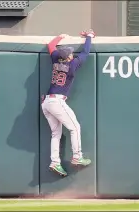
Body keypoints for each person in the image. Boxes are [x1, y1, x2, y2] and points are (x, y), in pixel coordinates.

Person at [41, 29, 95, 176]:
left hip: (46, 102)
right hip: (57, 101)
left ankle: (55, 162)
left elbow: (51, 45)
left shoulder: (55, 60)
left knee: (56, 133)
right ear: (68, 58)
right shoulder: (72, 66)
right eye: (70, 53)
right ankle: (77, 157)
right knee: (75, 127)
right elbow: (85, 52)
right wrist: (89, 37)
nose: (72, 54)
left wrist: (60, 36)